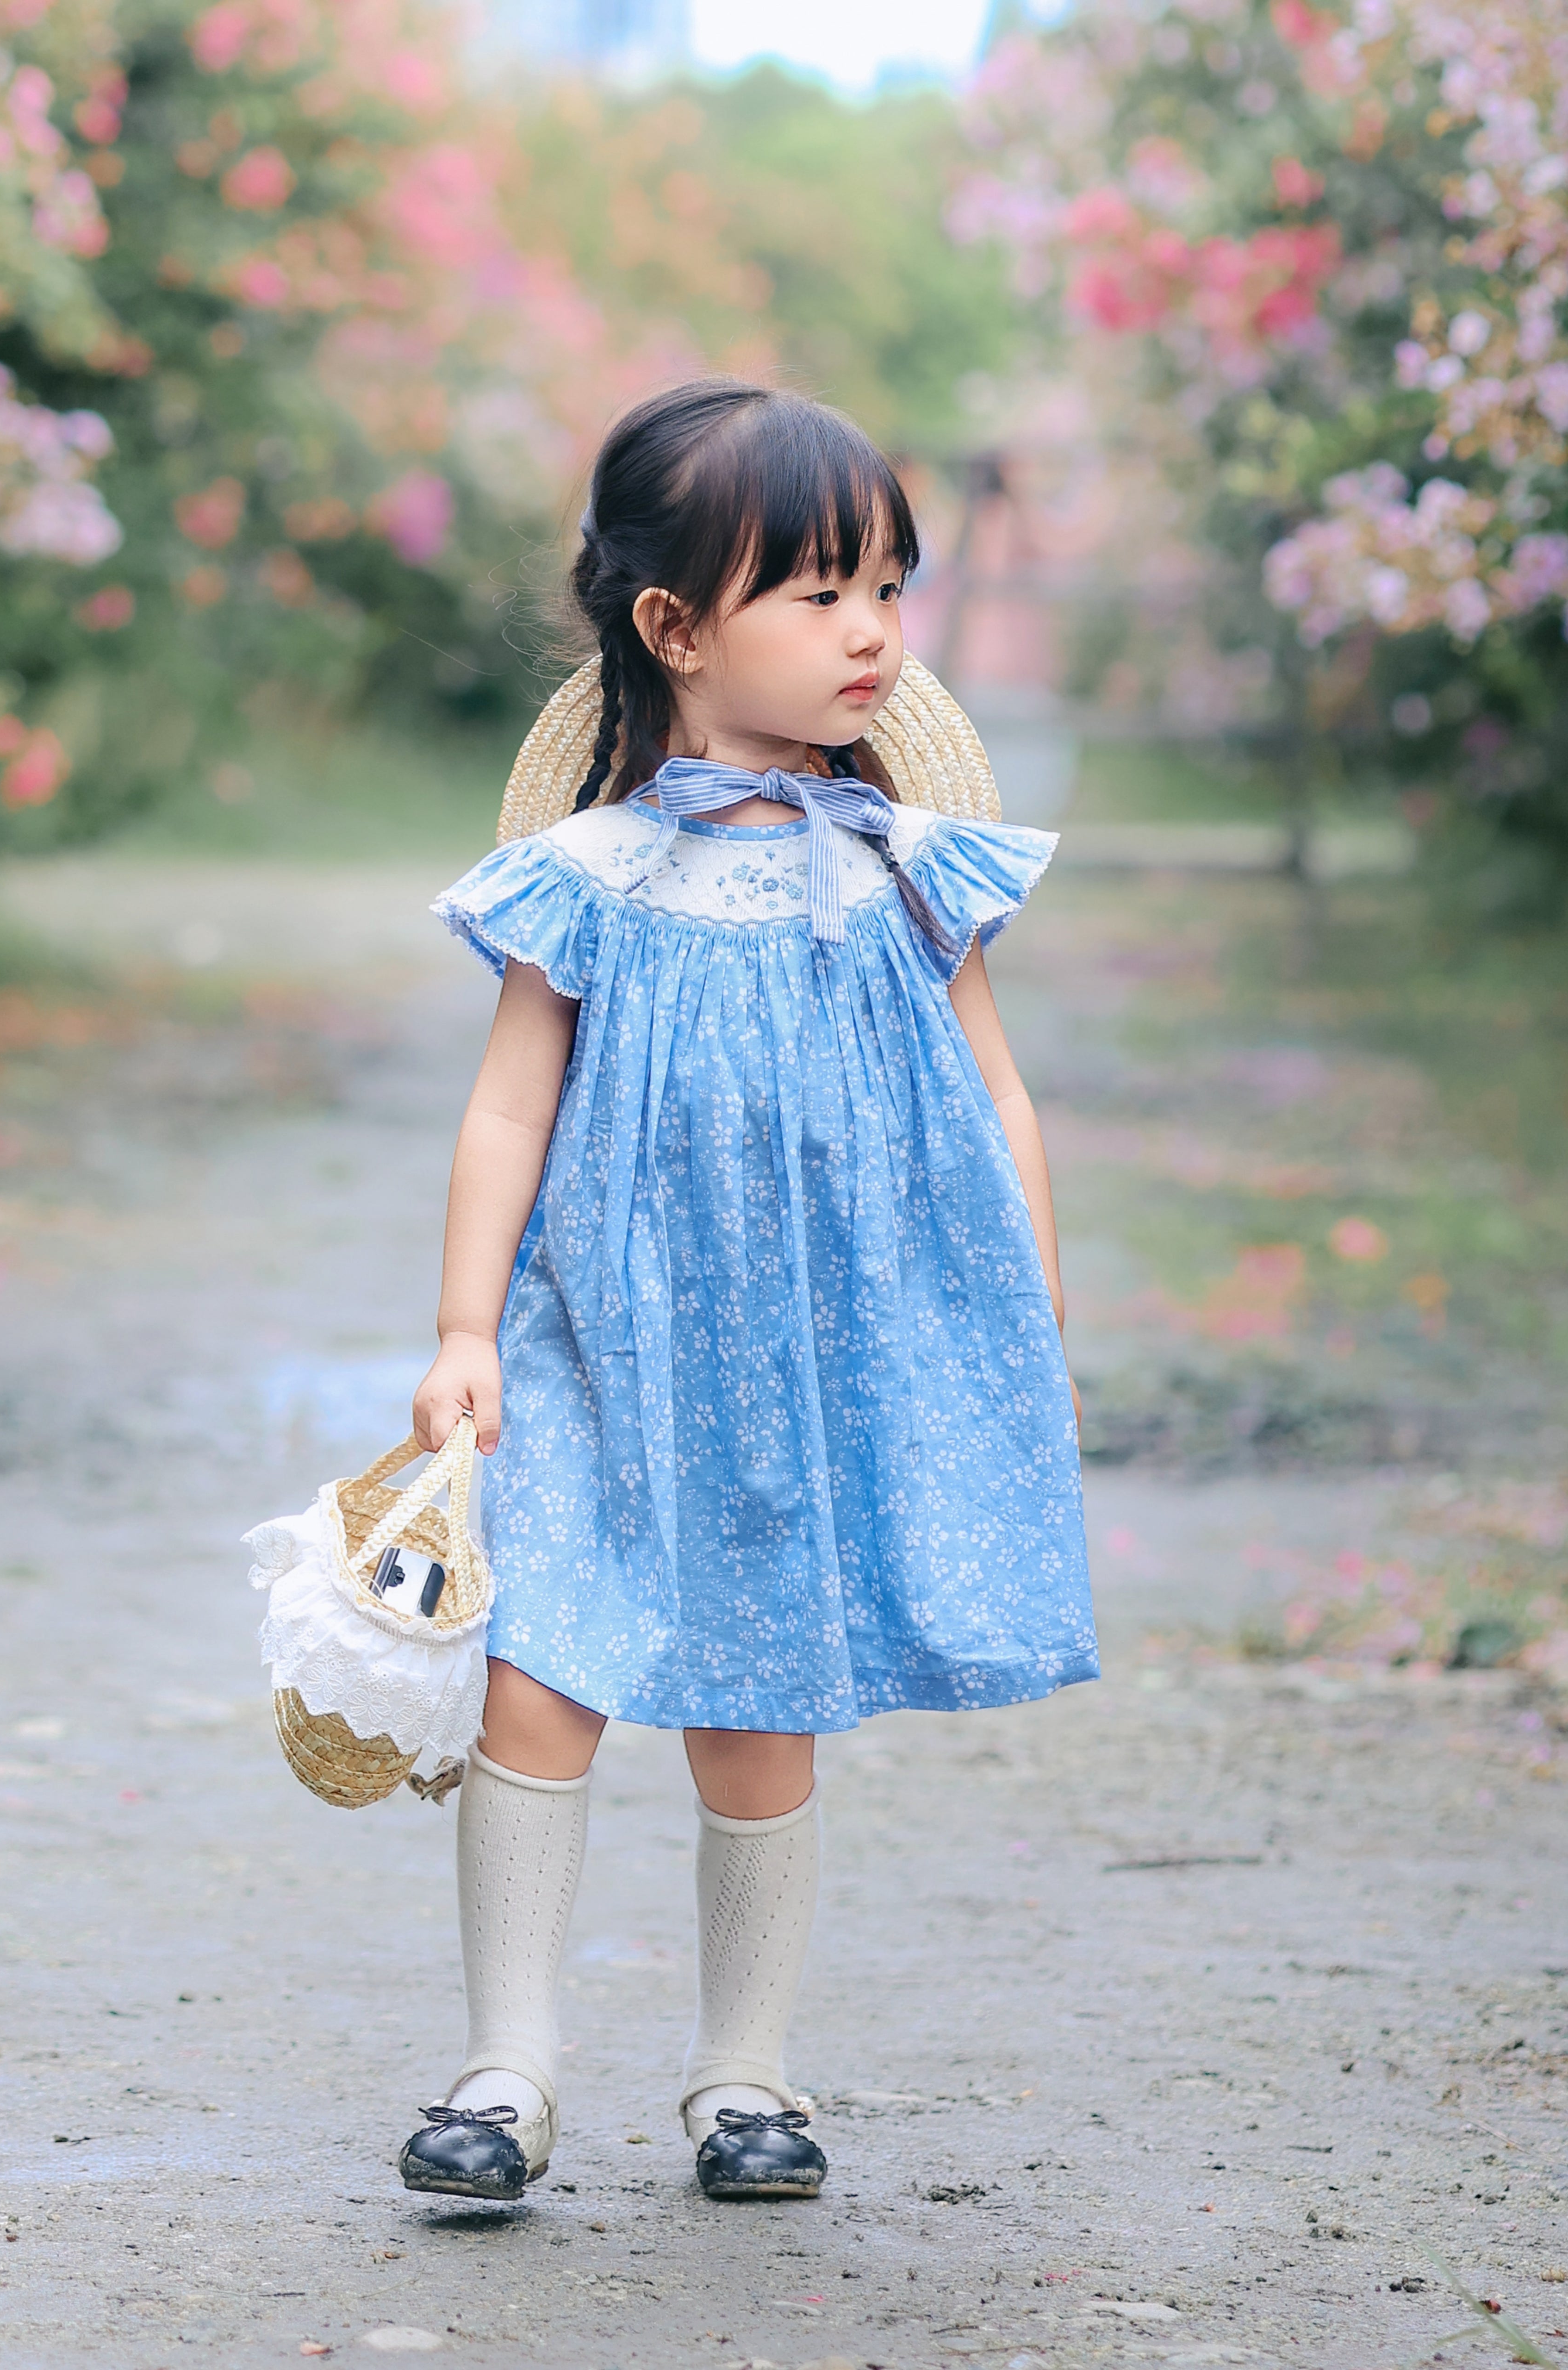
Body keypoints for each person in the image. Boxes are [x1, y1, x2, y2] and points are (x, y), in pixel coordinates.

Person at [398, 379, 1096, 2206]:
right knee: (535, 1681)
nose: (872, 626)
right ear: (676, 627)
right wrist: (468, 1329)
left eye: (888, 583)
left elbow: (995, 1089)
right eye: (816, 589)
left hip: (799, 1361)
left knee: (758, 1697)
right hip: (595, 1349)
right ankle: (507, 2068)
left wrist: (1020, 1296)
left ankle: (746, 2074)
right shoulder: (593, 876)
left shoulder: (903, 869)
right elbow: (506, 1102)